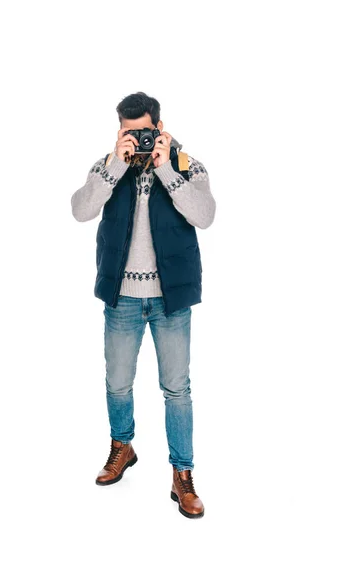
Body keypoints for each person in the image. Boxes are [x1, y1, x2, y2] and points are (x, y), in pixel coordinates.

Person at [70, 92, 216, 519]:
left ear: (160, 126)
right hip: (123, 299)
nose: (140, 139)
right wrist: (116, 164)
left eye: (146, 132)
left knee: (178, 390)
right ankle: (122, 446)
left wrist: (167, 168)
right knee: (117, 382)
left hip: (171, 299)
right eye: (129, 132)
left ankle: (182, 475)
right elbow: (80, 210)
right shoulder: (108, 166)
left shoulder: (187, 165)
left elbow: (205, 215)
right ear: (119, 130)